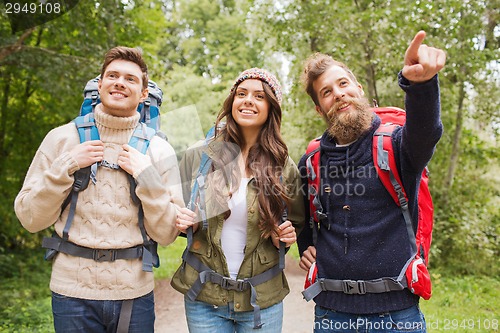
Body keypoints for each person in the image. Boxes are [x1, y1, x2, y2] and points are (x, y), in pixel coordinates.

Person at [14, 46, 184, 332]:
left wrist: (148, 178)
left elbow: (166, 235)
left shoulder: (159, 150)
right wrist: (66, 166)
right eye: (112, 75)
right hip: (71, 293)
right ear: (100, 84)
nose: (119, 82)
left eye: (130, 78)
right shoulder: (62, 139)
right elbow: (30, 219)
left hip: (134, 293)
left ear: (144, 94)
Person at [297, 31, 446, 332]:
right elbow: (302, 217)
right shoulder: (312, 161)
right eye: (326, 92)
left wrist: (420, 85)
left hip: (398, 315)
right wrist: (305, 246)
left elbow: (425, 134)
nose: (338, 94)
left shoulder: (396, 145)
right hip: (331, 314)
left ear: (359, 89)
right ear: (319, 109)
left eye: (343, 84)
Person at [171, 68, 305, 332]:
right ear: (232, 102)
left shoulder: (284, 166)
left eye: (259, 96)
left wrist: (284, 238)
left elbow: (296, 223)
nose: (248, 100)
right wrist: (187, 224)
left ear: (271, 108)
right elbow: (177, 213)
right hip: (204, 298)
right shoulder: (198, 157)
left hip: (261, 300)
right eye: (241, 94)